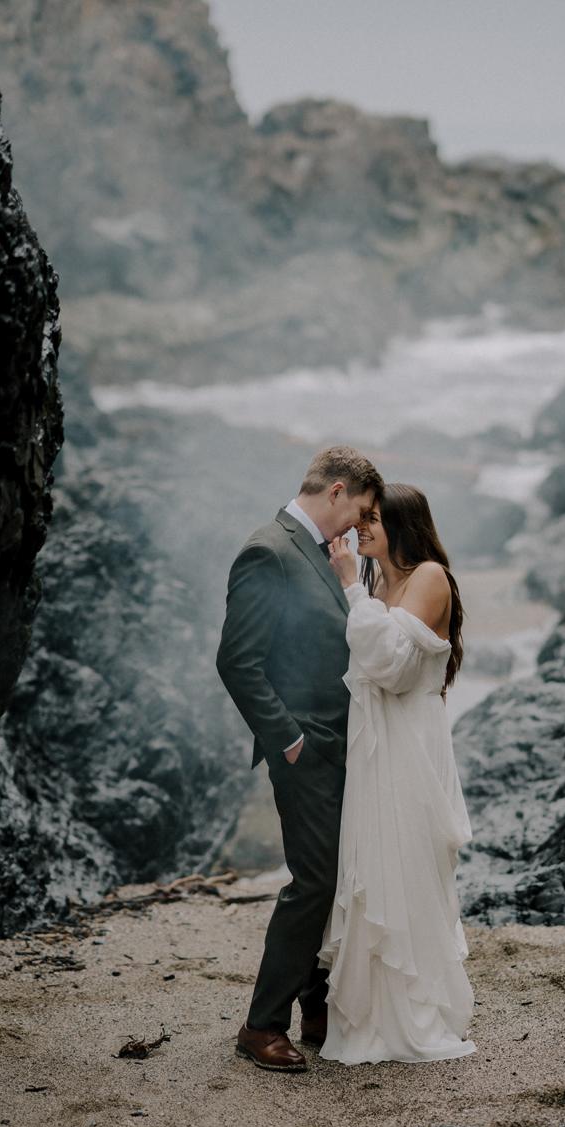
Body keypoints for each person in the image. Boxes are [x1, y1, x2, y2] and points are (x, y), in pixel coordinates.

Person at [216, 446, 384, 1072]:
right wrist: (287, 738)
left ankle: (316, 1007)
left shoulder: (324, 554)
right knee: (314, 880)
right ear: (336, 491)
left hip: (343, 746)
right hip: (304, 748)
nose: (359, 527)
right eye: (359, 511)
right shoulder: (269, 550)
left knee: (339, 877)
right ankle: (261, 1026)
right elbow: (237, 660)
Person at [319, 483, 476, 1063]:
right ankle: (371, 1018)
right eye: (363, 518)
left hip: (410, 746)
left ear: (405, 525)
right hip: (377, 747)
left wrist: (350, 585)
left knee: (407, 866)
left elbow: (387, 665)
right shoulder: (383, 581)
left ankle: (411, 1015)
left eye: (375, 520)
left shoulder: (430, 576)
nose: (362, 528)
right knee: (372, 867)